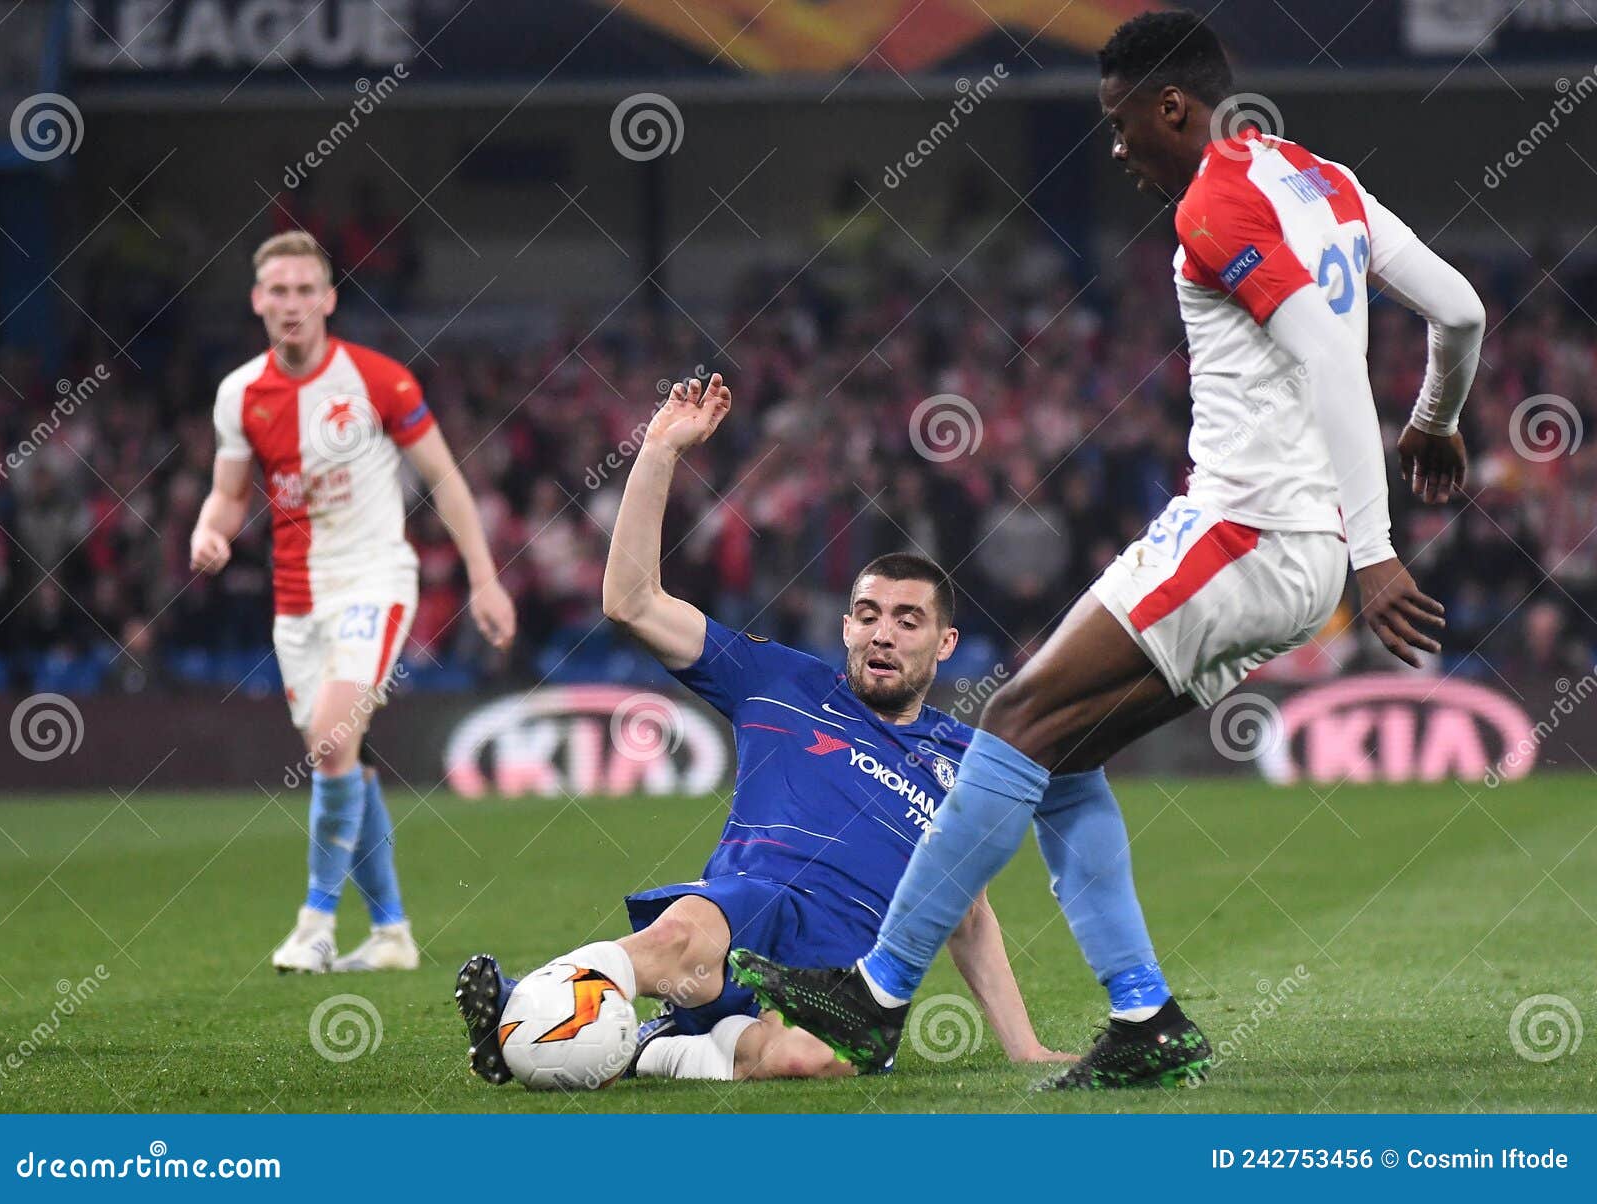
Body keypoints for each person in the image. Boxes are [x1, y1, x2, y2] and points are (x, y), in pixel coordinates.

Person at [729, 8, 1485, 1089]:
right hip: (1287, 547)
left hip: (1244, 530)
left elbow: (1324, 357)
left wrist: (1376, 550)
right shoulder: (1322, 180)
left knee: (1012, 718)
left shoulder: (1216, 200)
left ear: (1172, 107)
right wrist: (1432, 418)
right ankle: (1145, 1018)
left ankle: (872, 995)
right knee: (1058, 753)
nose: (1118, 149)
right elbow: (1457, 309)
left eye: (1123, 125)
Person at [455, 374, 1069, 1083]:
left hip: (840, 963)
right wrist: (658, 450)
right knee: (680, 938)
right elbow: (630, 602)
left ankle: (647, 1051)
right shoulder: (779, 680)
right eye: (868, 615)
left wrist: (1024, 1048)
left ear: (945, 644)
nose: (884, 634)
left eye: (908, 621)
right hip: (745, 907)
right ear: (846, 627)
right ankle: (519, 1011)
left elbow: (969, 915)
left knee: (811, 1060)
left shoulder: (964, 761)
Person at [190, 231, 516, 973]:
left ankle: (314, 924)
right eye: (279, 291)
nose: (293, 304)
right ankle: (394, 933)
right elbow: (229, 494)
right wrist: (210, 533)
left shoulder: (379, 381)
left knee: (333, 743)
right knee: (345, 762)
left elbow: (445, 478)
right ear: (257, 301)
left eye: (307, 290)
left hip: (373, 579)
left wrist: (484, 576)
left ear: (329, 299)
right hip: (296, 602)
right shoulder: (240, 394)